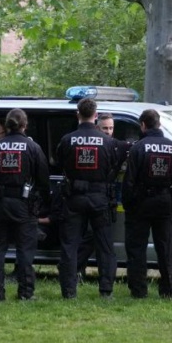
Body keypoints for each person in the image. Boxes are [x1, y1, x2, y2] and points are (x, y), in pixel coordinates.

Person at [55, 99, 122, 299]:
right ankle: (106, 291)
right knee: (105, 246)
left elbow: (60, 163)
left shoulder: (67, 140)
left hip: (74, 198)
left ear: (78, 114)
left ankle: (69, 292)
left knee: (70, 246)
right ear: (96, 115)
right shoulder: (109, 142)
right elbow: (113, 165)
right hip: (100, 198)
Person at [0, 108, 49, 301]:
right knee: (25, 250)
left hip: (0, 204)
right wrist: (40, 205)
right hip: (24, 205)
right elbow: (43, 180)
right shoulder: (32, 147)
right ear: (24, 125)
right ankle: (26, 293)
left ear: (7, 125)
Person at [122, 109, 172, 298]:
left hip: (141, 203)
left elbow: (129, 180)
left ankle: (138, 290)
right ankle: (169, 289)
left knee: (137, 248)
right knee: (166, 248)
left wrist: (128, 204)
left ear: (143, 125)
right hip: (165, 202)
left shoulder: (139, 147)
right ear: (159, 124)